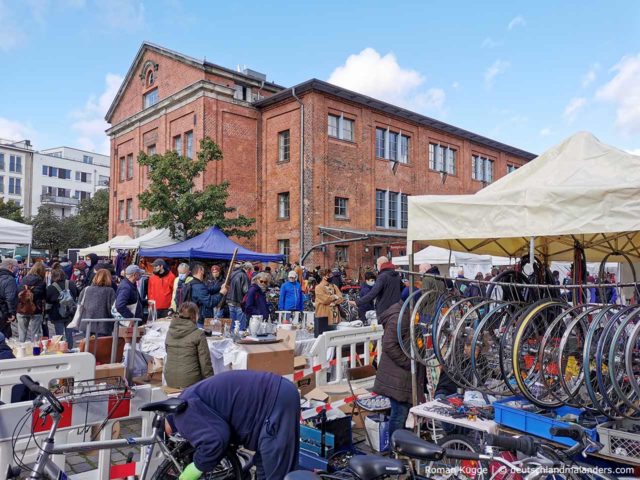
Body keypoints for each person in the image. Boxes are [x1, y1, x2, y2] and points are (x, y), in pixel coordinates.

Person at [171, 371, 300, 480]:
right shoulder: (185, 400)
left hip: (276, 401)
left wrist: (196, 468)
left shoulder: (181, 416)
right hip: (271, 398)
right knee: (264, 469)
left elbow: (217, 439)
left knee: (277, 472)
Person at [373, 301, 425, 438]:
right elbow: (389, 345)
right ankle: (395, 450)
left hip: (403, 376)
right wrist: (408, 363)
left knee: (402, 413)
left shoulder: (410, 316)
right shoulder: (400, 318)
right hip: (398, 377)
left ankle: (402, 448)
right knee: (399, 415)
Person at [164, 302, 214, 389]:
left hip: (169, 379)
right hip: (190, 381)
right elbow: (205, 363)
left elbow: (167, 351)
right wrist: (210, 383)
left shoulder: (170, 331)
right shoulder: (198, 334)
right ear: (194, 316)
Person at [79, 269, 117, 337]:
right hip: (103, 326)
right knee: (102, 346)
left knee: (88, 346)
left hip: (87, 324)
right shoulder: (110, 291)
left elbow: (80, 304)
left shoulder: (86, 289)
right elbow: (114, 309)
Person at [46, 268, 78, 346]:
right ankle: (70, 349)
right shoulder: (71, 283)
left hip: (57, 314)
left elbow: (48, 300)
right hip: (70, 312)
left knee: (59, 335)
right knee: (69, 334)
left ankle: (60, 351)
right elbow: (77, 294)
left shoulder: (51, 287)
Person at [188, 263, 226, 328]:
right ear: (200, 271)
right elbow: (210, 302)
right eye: (203, 270)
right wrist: (221, 293)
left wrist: (220, 287)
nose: (204, 273)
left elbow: (207, 290)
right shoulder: (198, 286)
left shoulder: (196, 283)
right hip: (200, 319)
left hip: (198, 316)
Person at [16, 262, 47, 342]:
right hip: (36, 309)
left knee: (22, 333)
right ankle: (34, 350)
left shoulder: (23, 279)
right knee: (35, 333)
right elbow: (43, 296)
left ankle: (21, 350)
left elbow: (18, 292)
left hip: (22, 308)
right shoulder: (41, 282)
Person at [314, 268, 344, 337]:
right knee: (323, 336)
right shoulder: (318, 287)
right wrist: (334, 297)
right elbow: (325, 299)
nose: (331, 276)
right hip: (324, 316)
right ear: (324, 276)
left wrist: (335, 301)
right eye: (329, 275)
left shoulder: (334, 286)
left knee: (335, 336)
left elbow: (341, 298)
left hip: (335, 316)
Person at [228, 262, 251, 330]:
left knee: (232, 325)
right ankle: (239, 339)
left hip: (230, 301)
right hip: (239, 302)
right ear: (248, 269)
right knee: (240, 326)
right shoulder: (243, 275)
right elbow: (246, 290)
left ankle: (232, 339)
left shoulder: (232, 273)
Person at [0, 259, 18, 338]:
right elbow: (10, 298)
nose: (17, 269)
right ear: (10, 266)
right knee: (5, 336)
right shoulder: (9, 279)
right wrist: (12, 313)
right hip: (3, 312)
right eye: (16, 267)